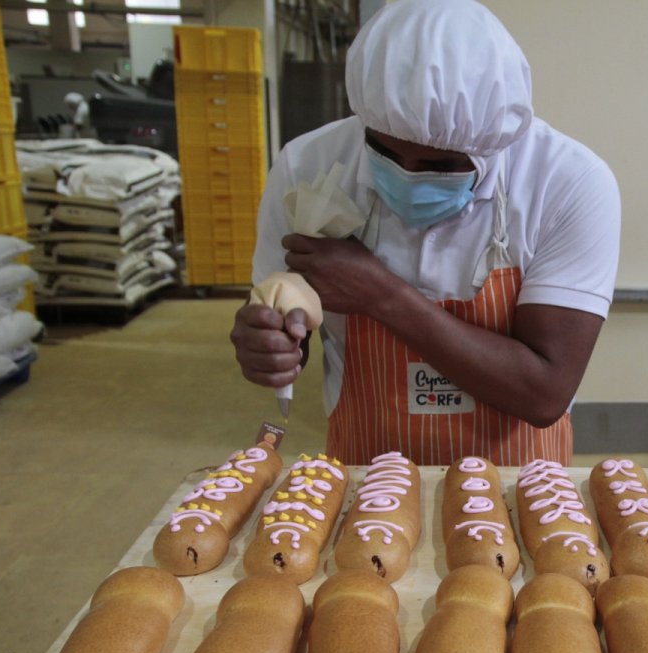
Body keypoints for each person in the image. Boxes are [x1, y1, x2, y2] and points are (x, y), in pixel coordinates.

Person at [230, 0, 621, 468]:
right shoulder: (307, 167)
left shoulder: (566, 183)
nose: (409, 176)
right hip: (366, 464)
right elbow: (285, 315)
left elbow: (543, 392)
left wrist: (381, 294)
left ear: (492, 145)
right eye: (384, 152)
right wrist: (271, 343)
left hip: (518, 478)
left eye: (442, 166)